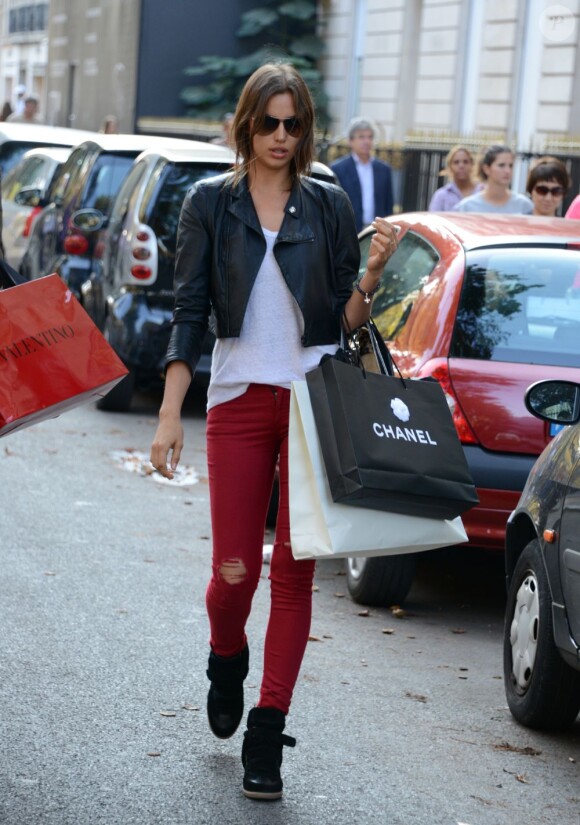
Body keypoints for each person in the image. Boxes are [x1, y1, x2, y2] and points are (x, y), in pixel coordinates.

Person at [149, 63, 397, 801]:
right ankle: (227, 656)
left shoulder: (325, 203)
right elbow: (189, 312)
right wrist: (169, 412)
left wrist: (373, 277)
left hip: (313, 405)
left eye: (294, 124)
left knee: (293, 572)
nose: (282, 137)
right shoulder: (209, 204)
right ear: (246, 123)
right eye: (269, 123)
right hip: (236, 402)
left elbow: (339, 324)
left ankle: (268, 730)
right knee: (234, 573)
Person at [331, 117, 394, 231]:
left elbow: (388, 205)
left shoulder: (384, 169)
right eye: (361, 137)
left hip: (376, 231)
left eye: (369, 137)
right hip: (348, 231)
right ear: (351, 141)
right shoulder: (338, 169)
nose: (366, 141)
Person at [453, 145, 532, 214]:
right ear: (486, 169)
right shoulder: (467, 207)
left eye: (510, 166)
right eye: (501, 165)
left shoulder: (524, 206)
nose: (507, 171)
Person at [428, 145, 482, 211]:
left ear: (472, 165)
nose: (461, 166)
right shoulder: (441, 196)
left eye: (465, 162)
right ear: (450, 167)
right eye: (456, 162)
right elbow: (434, 219)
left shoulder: (482, 192)